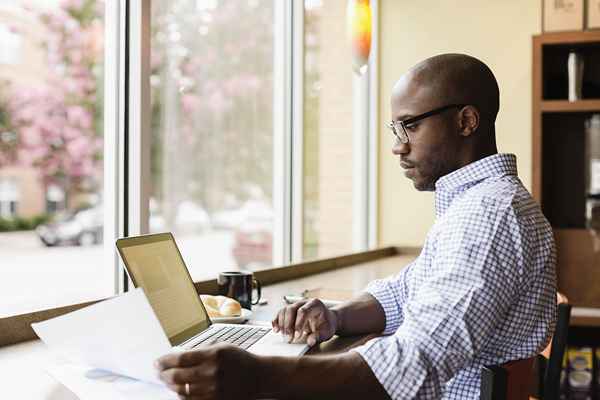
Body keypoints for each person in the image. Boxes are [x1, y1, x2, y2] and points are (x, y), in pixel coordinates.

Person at [154, 53, 557, 399]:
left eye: (411, 126)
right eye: (395, 130)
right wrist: (336, 317)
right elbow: (403, 295)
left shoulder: (489, 215)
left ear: (467, 121)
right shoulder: (480, 204)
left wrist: (256, 373)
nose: (398, 146)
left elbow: (409, 369)